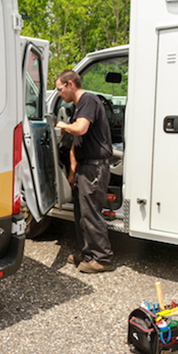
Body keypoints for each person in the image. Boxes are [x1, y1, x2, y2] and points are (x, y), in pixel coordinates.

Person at [55, 70, 114, 273]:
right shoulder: (78, 107)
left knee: (91, 214)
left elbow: (80, 129)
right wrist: (72, 172)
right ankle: (88, 253)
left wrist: (62, 125)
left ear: (70, 84)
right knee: (81, 214)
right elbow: (75, 144)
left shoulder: (88, 100)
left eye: (60, 89)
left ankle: (102, 259)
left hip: (95, 167)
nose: (60, 94)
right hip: (84, 167)